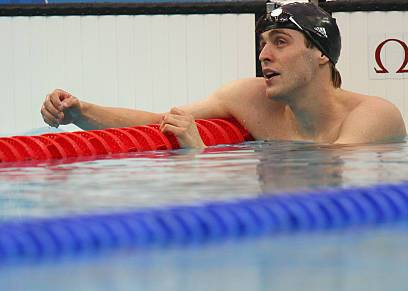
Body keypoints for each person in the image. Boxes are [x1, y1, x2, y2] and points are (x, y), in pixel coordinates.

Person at [40, 1, 406, 147]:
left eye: (281, 42)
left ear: (322, 54)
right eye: (264, 43)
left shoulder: (373, 116)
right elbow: (163, 121)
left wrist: (200, 155)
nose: (264, 55)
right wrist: (79, 111)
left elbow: (331, 190)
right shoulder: (249, 98)